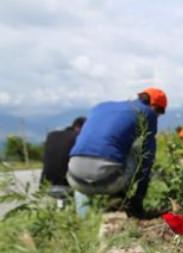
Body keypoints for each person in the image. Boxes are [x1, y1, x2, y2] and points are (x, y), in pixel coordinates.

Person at [67, 88, 167, 217]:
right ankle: (119, 200)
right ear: (153, 106)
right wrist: (138, 201)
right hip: (110, 181)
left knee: (86, 163)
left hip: (74, 177)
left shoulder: (100, 107)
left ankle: (83, 219)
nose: (159, 116)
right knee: (137, 149)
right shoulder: (147, 113)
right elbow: (147, 159)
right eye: (160, 111)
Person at [40, 116, 85, 205]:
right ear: (78, 128)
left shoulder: (51, 135)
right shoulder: (78, 138)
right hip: (68, 187)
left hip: (46, 186)